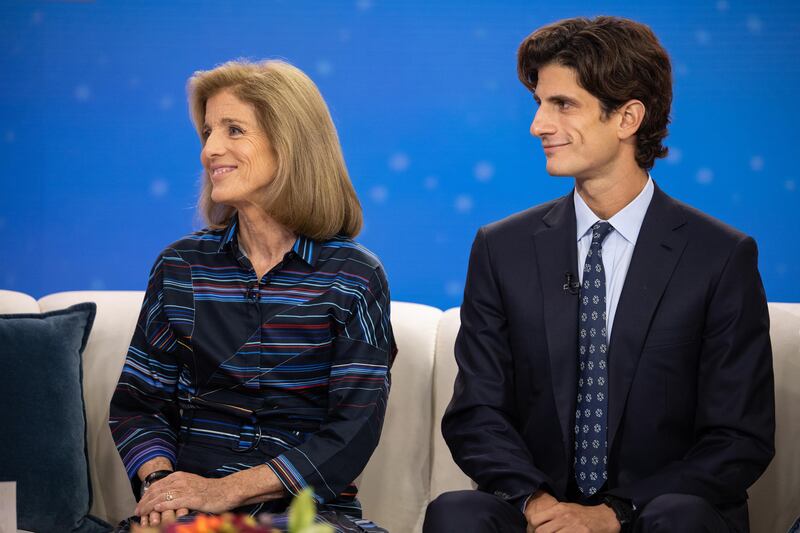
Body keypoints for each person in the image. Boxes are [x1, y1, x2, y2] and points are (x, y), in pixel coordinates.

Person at [424, 16, 774, 533]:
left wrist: (613, 512)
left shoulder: (721, 257)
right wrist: (538, 503)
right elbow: (476, 413)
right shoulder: (502, 248)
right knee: (456, 513)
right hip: (537, 511)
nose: (538, 125)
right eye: (539, 103)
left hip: (657, 511)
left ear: (628, 117)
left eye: (562, 105)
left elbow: (738, 438)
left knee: (680, 520)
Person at [109, 59, 395, 531]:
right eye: (207, 132)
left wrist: (224, 491)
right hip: (188, 517)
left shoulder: (354, 276)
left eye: (234, 130)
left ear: (291, 145)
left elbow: (352, 432)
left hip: (309, 516)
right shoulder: (181, 267)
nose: (210, 150)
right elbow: (139, 404)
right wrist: (165, 487)